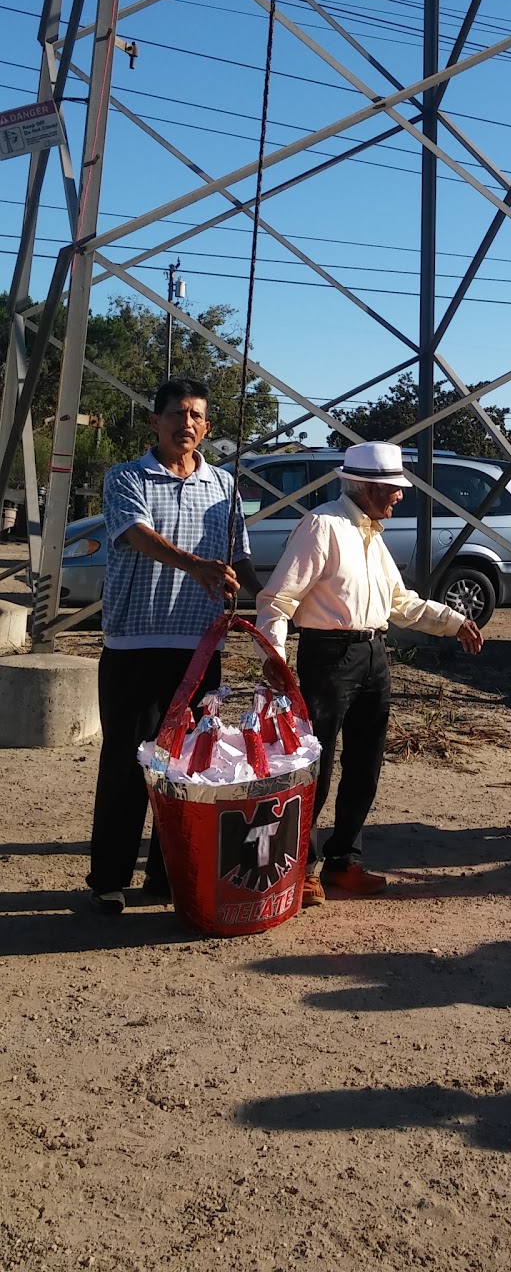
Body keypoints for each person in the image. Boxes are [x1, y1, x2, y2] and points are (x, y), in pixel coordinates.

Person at [256, 441, 484, 904]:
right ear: (362, 487)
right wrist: (274, 658)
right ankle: (301, 866)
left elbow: (400, 604)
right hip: (327, 656)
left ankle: (344, 861)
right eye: (390, 488)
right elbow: (278, 600)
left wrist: (454, 621)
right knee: (313, 765)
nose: (399, 496)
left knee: (365, 763)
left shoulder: (372, 536)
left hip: (373, 654)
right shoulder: (322, 526)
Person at [87, 377, 262, 915]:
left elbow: (244, 563)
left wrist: (281, 602)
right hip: (135, 644)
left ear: (207, 428)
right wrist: (196, 566)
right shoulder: (126, 478)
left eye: (196, 416)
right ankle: (110, 879)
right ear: (155, 420)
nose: (186, 423)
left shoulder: (224, 488)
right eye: (176, 413)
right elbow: (136, 534)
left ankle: (168, 876)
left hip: (199, 648)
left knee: (186, 766)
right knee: (127, 763)